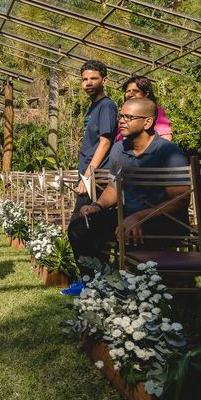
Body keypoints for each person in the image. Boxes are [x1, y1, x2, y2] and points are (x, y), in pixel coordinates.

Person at [67, 98, 189, 283]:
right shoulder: (118, 149)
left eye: (129, 117)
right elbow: (114, 187)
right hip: (127, 218)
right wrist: (97, 206)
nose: (121, 121)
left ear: (147, 122)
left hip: (163, 220)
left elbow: (179, 200)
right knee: (79, 227)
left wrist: (140, 217)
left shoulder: (170, 153)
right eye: (121, 116)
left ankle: (140, 284)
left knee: (127, 230)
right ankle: (96, 282)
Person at [61, 60, 118, 295]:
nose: (88, 83)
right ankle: (95, 281)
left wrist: (88, 175)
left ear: (104, 80)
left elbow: (105, 141)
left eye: (93, 78)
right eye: (84, 79)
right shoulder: (93, 107)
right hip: (90, 175)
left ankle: (91, 282)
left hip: (98, 178)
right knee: (87, 230)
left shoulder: (106, 106)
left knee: (77, 228)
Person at [116, 76, 172, 142]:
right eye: (128, 91)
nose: (130, 94)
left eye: (135, 91)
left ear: (146, 94)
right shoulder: (124, 111)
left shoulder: (155, 110)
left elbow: (166, 136)